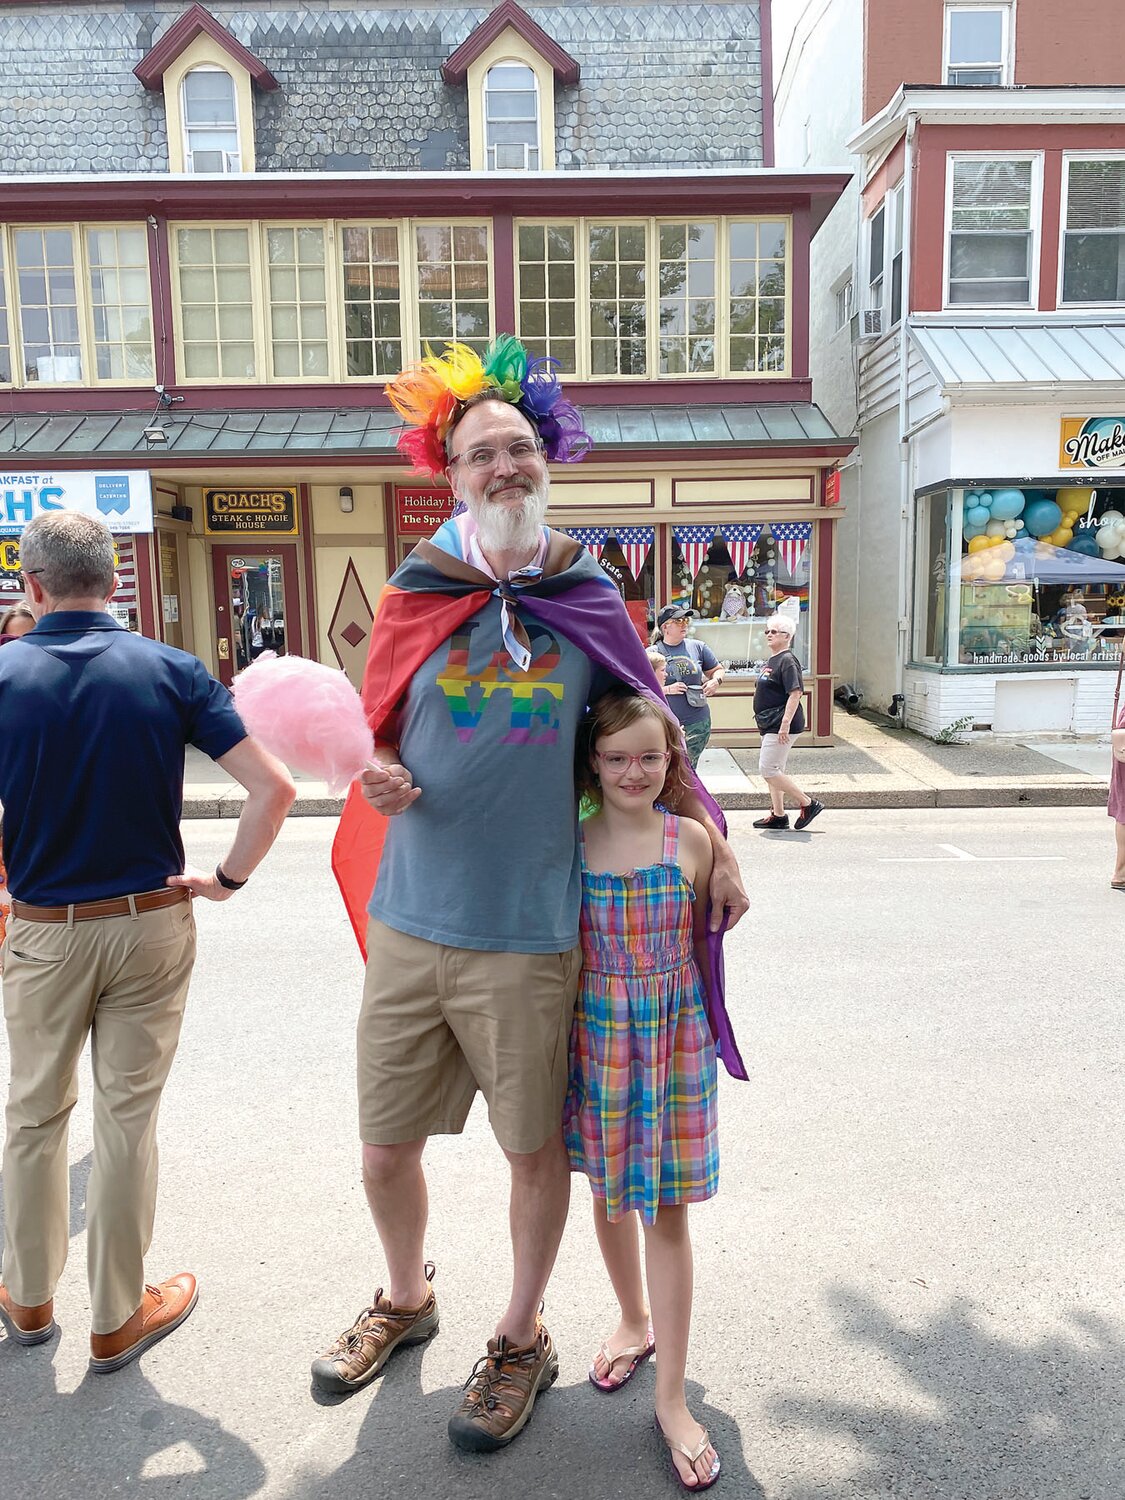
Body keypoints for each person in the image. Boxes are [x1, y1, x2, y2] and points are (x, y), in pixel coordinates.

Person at [322, 336, 748, 1455]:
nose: (504, 468)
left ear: (546, 458)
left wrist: (718, 837)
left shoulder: (585, 592)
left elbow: (648, 728)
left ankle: (520, 1332)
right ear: (448, 473)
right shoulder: (422, 588)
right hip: (413, 920)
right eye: (481, 455)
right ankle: (407, 1296)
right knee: (380, 1148)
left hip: (531, 933)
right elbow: (361, 730)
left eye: (519, 449)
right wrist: (368, 769)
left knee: (531, 1154)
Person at [0, 511, 295, 1371]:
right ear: (117, 582)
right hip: (148, 921)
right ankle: (116, 1317)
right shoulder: (169, 669)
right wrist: (225, 880)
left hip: (43, 928)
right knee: (127, 1120)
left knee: (31, 1115)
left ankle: (25, 1299)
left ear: (35, 586)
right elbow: (271, 790)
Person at [565, 690, 724, 1491]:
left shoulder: (692, 841)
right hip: (596, 1038)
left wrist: (730, 858)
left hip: (670, 1038)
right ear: (592, 761)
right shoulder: (569, 839)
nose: (633, 769)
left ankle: (671, 1396)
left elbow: (712, 940)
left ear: (671, 762)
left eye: (649, 756)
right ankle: (632, 1317)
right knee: (605, 1190)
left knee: (665, 1209)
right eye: (616, 755)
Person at [752, 613, 823, 832]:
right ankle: (779, 815)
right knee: (776, 769)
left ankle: (808, 803)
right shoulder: (774, 659)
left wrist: (784, 725)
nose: (769, 635)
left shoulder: (788, 660)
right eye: (768, 631)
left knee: (768, 770)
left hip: (780, 725)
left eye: (774, 632)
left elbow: (795, 693)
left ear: (787, 636)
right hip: (769, 724)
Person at [651, 605, 724, 767]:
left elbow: (717, 670)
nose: (684, 624)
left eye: (685, 620)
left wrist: (715, 681)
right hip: (664, 724)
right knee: (666, 770)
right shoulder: (652, 653)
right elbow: (641, 689)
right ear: (665, 627)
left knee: (689, 771)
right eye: (678, 621)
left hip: (697, 722)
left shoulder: (698, 647)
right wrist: (667, 689)